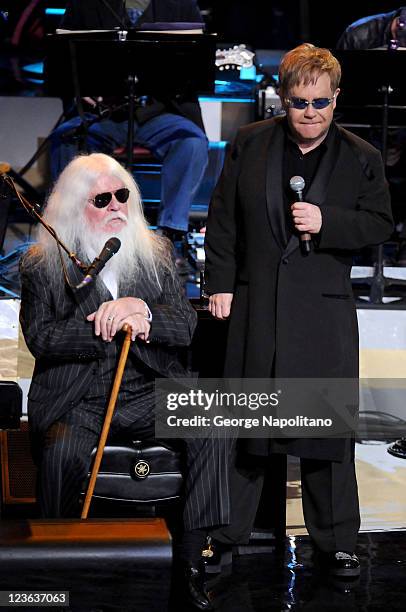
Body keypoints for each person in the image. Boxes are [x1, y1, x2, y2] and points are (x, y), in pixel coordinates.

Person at [204, 44, 393, 577]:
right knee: (248, 430)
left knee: (324, 436)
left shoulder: (362, 156)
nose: (311, 113)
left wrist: (327, 221)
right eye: (299, 102)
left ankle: (336, 542)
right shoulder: (250, 144)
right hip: (258, 305)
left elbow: (379, 224)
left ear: (336, 100)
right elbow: (223, 220)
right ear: (282, 99)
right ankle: (226, 534)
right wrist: (220, 284)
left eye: (321, 103)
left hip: (321, 313)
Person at [19, 152, 230, 611]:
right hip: (79, 399)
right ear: (77, 207)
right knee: (63, 452)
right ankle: (54, 567)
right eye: (103, 199)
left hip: (145, 389)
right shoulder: (42, 262)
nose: (117, 206)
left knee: (211, 422)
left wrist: (145, 314)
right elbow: (42, 338)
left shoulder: (154, 252)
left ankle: (192, 563)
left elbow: (185, 326)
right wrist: (107, 324)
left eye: (123, 196)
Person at [49, 0, 208, 242]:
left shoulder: (181, 4)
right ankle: (69, 236)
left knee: (192, 142)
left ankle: (170, 235)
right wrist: (79, 92)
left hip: (158, 114)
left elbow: (195, 70)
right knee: (64, 138)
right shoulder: (85, 5)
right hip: (102, 115)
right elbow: (60, 65)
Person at [337, 7, 406, 263]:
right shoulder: (359, 35)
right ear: (397, 27)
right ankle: (360, 249)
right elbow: (341, 102)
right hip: (364, 126)